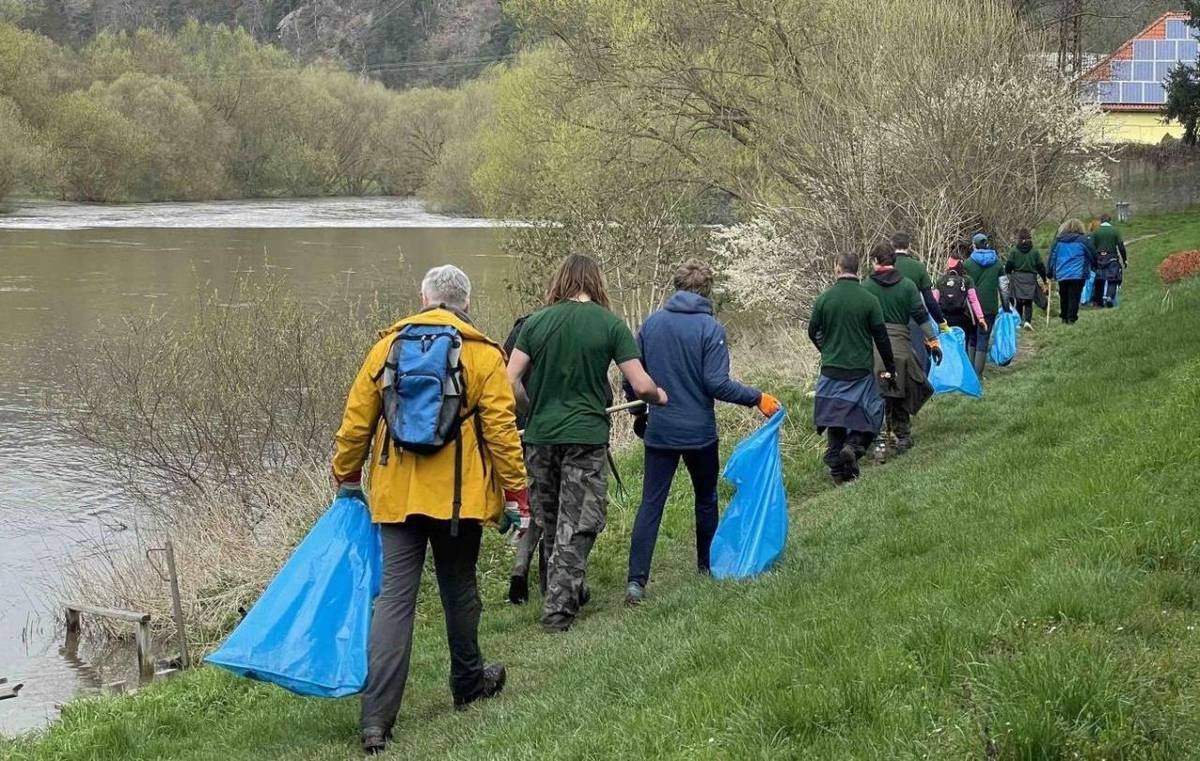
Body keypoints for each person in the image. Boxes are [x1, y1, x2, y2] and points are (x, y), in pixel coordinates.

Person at [332, 265, 529, 755]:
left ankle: (376, 721)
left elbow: (356, 423)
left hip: (397, 498)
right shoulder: (483, 353)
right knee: (459, 591)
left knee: (394, 602)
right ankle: (468, 684)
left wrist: (347, 477)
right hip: (458, 500)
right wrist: (516, 493)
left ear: (423, 298)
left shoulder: (387, 348)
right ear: (466, 303)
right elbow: (502, 433)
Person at [506, 254, 668, 633]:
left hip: (539, 438)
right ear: (596, 283)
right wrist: (659, 396)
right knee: (578, 522)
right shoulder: (609, 324)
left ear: (560, 281)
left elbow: (509, 380)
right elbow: (641, 384)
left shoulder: (535, 322)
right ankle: (558, 611)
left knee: (549, 519)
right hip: (585, 437)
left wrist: (531, 409)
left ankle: (563, 589)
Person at [623, 260, 780, 605]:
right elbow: (716, 383)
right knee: (706, 499)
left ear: (676, 287)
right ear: (707, 291)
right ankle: (706, 567)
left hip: (661, 431)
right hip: (700, 433)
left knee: (651, 503)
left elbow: (631, 379)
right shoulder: (711, 328)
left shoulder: (651, 325)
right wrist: (757, 397)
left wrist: (639, 413)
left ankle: (636, 581)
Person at [807, 252, 897, 485]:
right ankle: (854, 446)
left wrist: (825, 349)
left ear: (838, 269)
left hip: (831, 369)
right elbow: (882, 338)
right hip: (860, 370)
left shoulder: (824, 299)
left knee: (835, 417)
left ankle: (837, 467)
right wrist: (890, 367)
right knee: (871, 413)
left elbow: (812, 331)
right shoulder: (869, 300)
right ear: (857, 269)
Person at [862, 243, 942, 459]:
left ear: (875, 261)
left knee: (877, 393)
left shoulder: (866, 286)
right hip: (901, 347)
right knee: (901, 389)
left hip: (875, 348)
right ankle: (903, 436)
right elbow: (921, 315)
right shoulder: (907, 286)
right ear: (894, 261)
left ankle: (878, 440)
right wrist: (933, 341)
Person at [892, 232, 949, 372]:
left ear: (892, 245)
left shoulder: (887, 267)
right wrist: (941, 321)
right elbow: (930, 300)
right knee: (918, 362)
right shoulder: (918, 267)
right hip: (914, 321)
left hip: (891, 322)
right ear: (909, 246)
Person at [934, 246, 988, 353]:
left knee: (946, 346)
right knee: (962, 346)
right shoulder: (967, 280)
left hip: (944, 319)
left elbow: (934, 301)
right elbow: (973, 300)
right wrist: (981, 318)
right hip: (962, 318)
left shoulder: (940, 280)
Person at [963, 233, 1002, 377]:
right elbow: (1004, 286)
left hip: (971, 308)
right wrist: (1005, 305)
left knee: (972, 336)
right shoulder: (997, 263)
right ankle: (978, 373)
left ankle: (971, 373)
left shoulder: (967, 264)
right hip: (990, 306)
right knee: (984, 338)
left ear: (974, 246)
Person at [1048, 218, 1098, 325]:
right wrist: (1095, 266)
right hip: (1078, 273)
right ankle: (1071, 318)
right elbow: (1093, 255)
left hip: (1062, 273)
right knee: (1074, 296)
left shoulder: (1058, 241)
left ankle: (1064, 317)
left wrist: (1049, 271)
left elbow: (1052, 257)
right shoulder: (1084, 241)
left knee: (1064, 295)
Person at [1004, 228, 1049, 329]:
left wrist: (1008, 275)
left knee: (1019, 301)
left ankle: (1019, 321)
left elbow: (1008, 266)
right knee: (1028, 301)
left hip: (1017, 278)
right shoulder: (1034, 252)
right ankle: (1027, 322)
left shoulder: (1014, 251)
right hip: (1030, 279)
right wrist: (1044, 279)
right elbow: (1041, 267)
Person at [1090, 213, 1128, 308]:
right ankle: (1109, 297)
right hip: (1112, 257)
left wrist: (1093, 259)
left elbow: (1091, 246)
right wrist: (1124, 259)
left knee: (1099, 279)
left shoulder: (1096, 231)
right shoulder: (1115, 231)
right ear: (1110, 220)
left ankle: (1098, 302)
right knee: (1113, 278)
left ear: (1101, 221)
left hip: (1099, 258)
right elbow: (1121, 246)